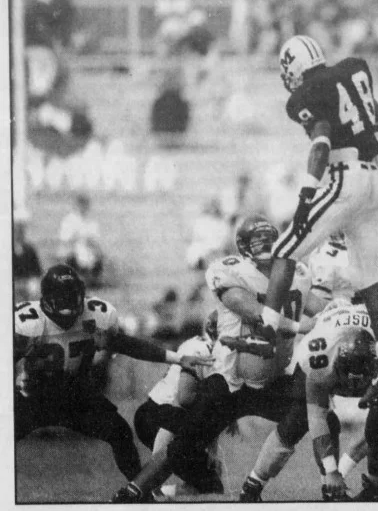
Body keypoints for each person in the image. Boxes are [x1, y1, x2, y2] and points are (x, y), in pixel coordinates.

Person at [113, 215, 322, 502]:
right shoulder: (229, 271)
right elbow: (253, 312)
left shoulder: (296, 271)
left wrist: (340, 310)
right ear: (243, 246)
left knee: (315, 415)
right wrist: (298, 326)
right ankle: (132, 493)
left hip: (273, 379)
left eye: (270, 240)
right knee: (185, 443)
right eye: (258, 241)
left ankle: (256, 486)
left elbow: (317, 306)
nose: (266, 246)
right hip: (230, 381)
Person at [258, 35, 378, 386]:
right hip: (374, 177)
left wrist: (306, 194)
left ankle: (265, 332)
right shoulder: (353, 68)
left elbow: (321, 140)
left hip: (344, 175)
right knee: (369, 276)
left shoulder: (303, 96)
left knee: (284, 250)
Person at [15, 265, 213, 486]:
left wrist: (177, 358)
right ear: (48, 299)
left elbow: (127, 344)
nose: (70, 307)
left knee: (119, 432)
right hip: (34, 396)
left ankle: (140, 490)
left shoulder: (96, 314)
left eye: (74, 297)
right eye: (63, 298)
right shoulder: (28, 322)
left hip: (75, 395)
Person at [292, 299, 376, 500]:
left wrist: (342, 470)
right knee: (320, 418)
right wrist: (331, 470)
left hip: (369, 340)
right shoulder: (314, 355)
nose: (352, 386)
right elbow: (316, 417)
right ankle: (329, 486)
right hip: (330, 335)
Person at [132, 311, 222, 496]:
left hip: (161, 417)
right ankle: (145, 490)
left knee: (212, 486)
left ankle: (156, 492)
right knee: (211, 487)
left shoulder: (203, 345)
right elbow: (182, 400)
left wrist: (212, 445)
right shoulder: (201, 351)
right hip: (157, 418)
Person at [58, 193, 104, 287]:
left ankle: (91, 278)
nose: (83, 207)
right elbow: (65, 240)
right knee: (70, 255)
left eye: (85, 204)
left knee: (96, 256)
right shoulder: (69, 220)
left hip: (88, 250)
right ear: (76, 205)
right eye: (81, 204)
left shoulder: (92, 222)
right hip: (74, 250)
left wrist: (92, 244)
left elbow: (95, 240)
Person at [13, 211, 43, 302]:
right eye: (16, 231)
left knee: (34, 288)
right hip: (14, 281)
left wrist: (31, 280)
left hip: (27, 281)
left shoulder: (30, 249)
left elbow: (37, 271)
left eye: (20, 232)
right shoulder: (6, 249)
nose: (18, 234)